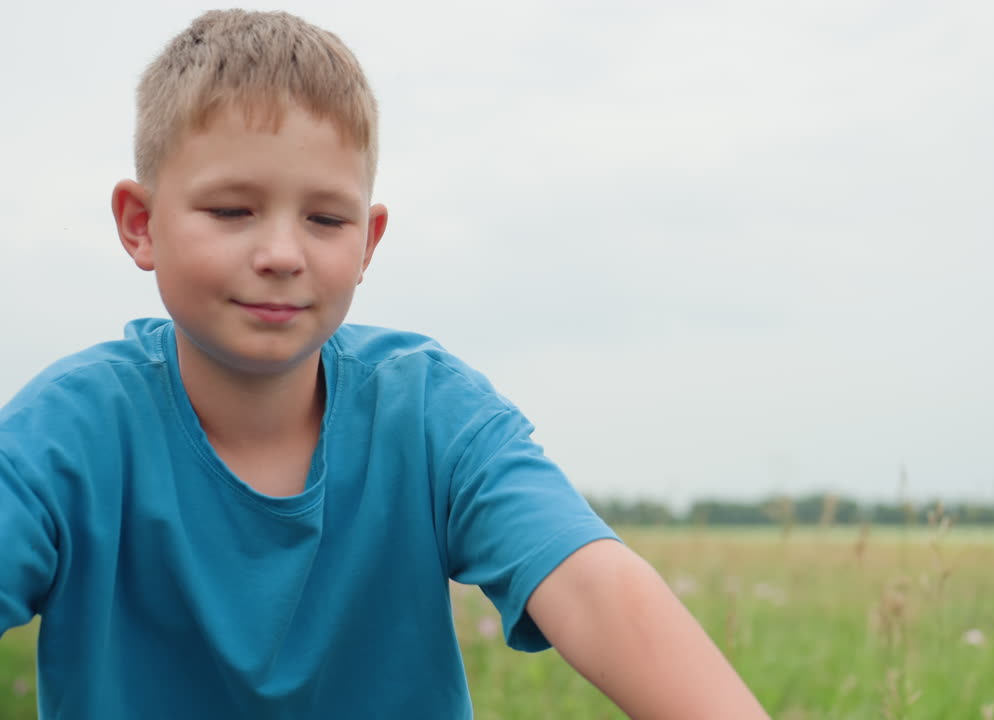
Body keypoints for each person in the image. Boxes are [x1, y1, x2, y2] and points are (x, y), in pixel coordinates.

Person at [0, 10, 768, 719]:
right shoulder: (64, 436)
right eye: (231, 210)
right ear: (141, 225)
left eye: (325, 219)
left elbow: (596, 588)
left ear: (367, 243)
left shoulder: (431, 412)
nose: (279, 255)